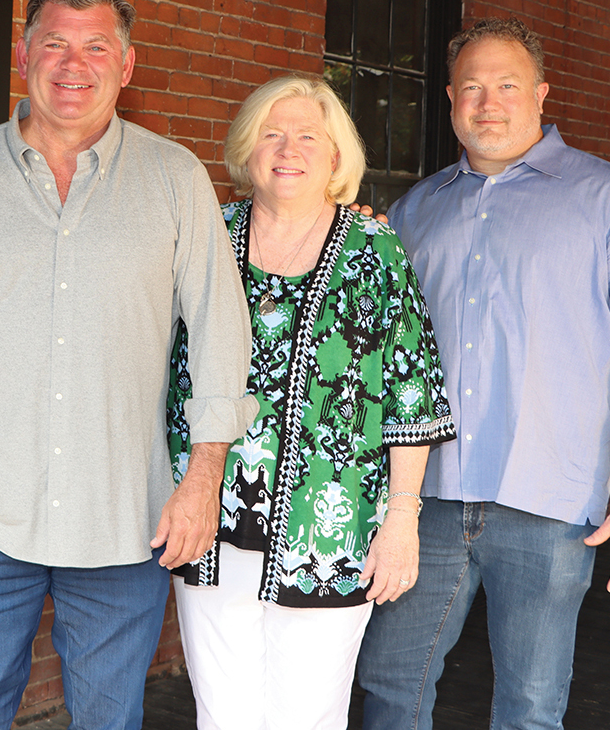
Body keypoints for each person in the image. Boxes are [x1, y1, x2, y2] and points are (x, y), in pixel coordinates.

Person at [0, 0, 258, 730]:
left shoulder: (174, 177)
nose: (72, 65)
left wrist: (202, 475)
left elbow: (219, 326)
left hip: (124, 514)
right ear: (23, 56)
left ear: (127, 63)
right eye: (54, 43)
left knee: (108, 721)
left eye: (95, 46)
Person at [357, 17, 610, 730]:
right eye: (471, 87)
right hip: (425, 503)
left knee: (530, 707)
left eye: (506, 84)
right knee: (390, 687)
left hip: (547, 506)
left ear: (540, 93)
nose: (488, 102)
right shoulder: (414, 211)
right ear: (449, 99)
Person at [166, 75, 456, 730]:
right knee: (222, 712)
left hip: (328, 528)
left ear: (334, 157)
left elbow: (410, 391)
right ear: (246, 150)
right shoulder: (208, 235)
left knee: (307, 714)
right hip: (212, 523)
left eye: (306, 136)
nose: (286, 148)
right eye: (271, 133)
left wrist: (401, 520)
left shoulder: (374, 250)